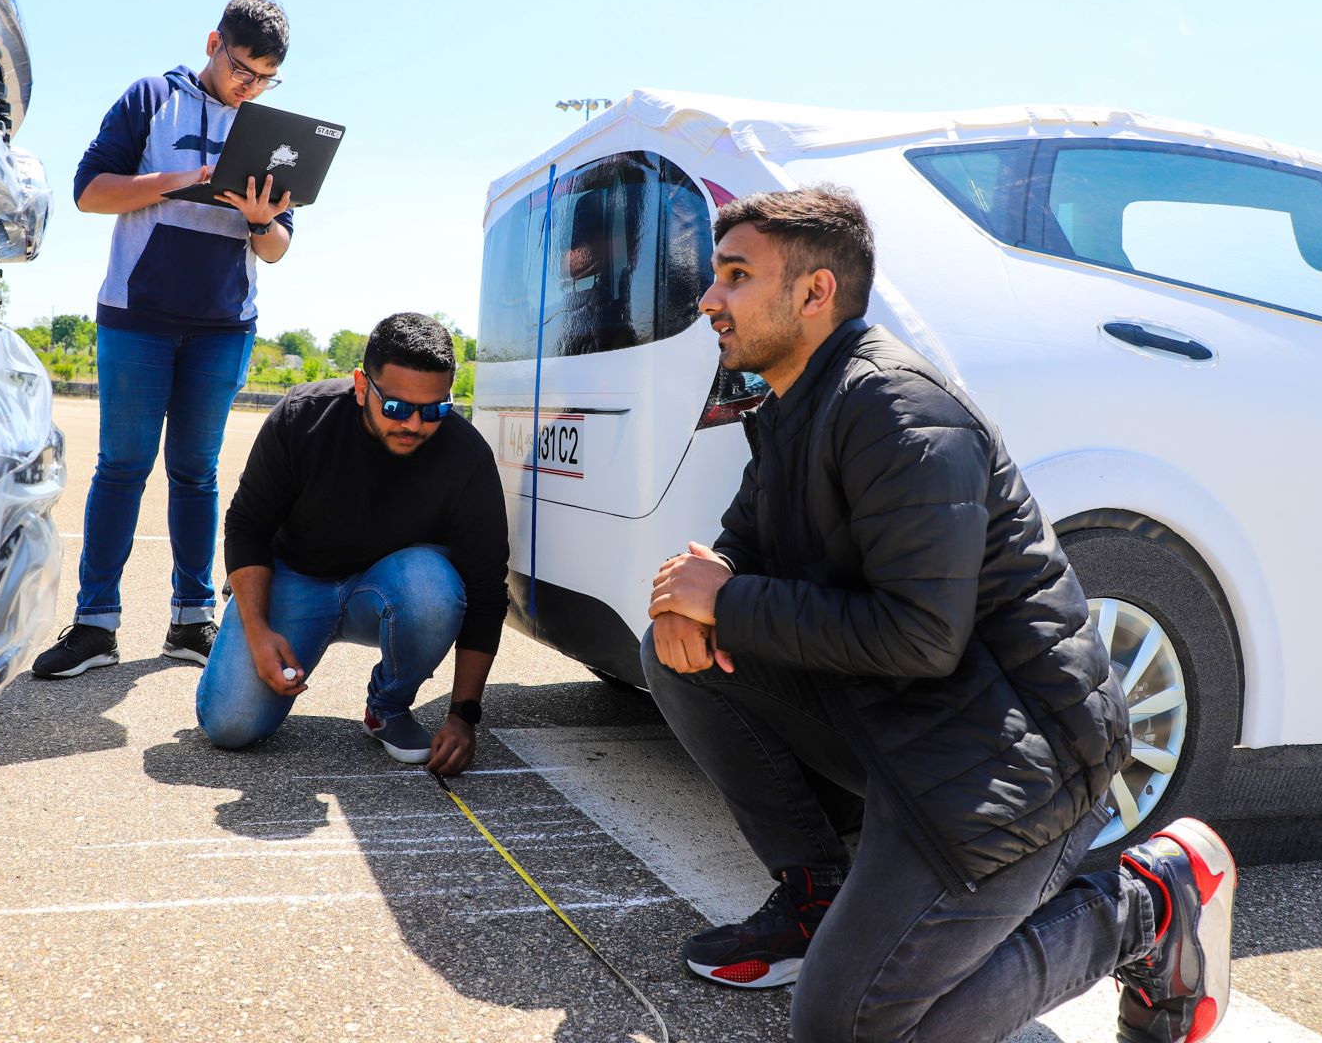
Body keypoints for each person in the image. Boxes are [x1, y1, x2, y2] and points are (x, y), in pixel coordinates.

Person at [644, 185, 1237, 1043]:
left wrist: (724, 600)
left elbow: (917, 636)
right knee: (673, 658)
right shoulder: (791, 409)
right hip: (906, 726)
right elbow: (738, 547)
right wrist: (689, 598)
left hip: (1018, 762)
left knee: (849, 1030)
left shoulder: (897, 411)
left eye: (735, 276)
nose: (709, 299)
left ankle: (1144, 906)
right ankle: (818, 897)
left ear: (815, 294)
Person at [33, 0, 295, 680]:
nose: (249, 86)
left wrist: (263, 220)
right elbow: (91, 191)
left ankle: (190, 619)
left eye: (264, 77)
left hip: (223, 325)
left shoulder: (269, 131)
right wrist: (187, 181)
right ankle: (95, 625)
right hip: (137, 316)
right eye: (242, 68)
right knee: (122, 467)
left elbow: (276, 250)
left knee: (196, 472)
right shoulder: (151, 97)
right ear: (213, 42)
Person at [196, 313, 508, 775]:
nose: (416, 424)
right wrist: (258, 631)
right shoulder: (303, 417)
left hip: (390, 588)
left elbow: (486, 590)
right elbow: (247, 526)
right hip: (296, 577)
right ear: (362, 386)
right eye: (398, 408)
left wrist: (464, 715)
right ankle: (245, 610)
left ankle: (388, 705)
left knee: (434, 587)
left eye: (435, 409)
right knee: (230, 725)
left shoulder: (466, 457)